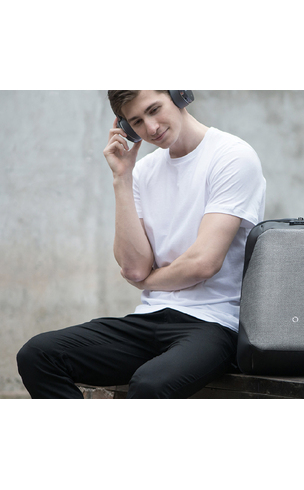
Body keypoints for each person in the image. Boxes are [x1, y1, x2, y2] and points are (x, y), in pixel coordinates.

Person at [17, 90, 266, 398]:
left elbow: (203, 263)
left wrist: (149, 281)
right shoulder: (144, 171)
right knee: (38, 355)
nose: (151, 128)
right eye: (136, 121)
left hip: (214, 323)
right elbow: (134, 268)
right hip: (151, 317)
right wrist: (122, 178)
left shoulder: (232, 156)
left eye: (154, 109)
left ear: (179, 94)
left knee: (150, 384)